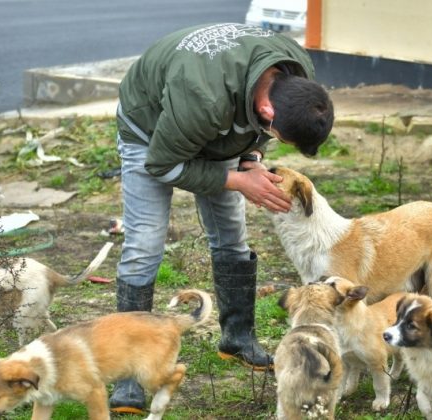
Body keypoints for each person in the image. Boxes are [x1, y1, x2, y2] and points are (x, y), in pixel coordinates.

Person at [110, 22, 334, 413]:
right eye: (280, 136)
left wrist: (251, 160)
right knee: (145, 244)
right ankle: (129, 372)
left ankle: (237, 338)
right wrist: (238, 181)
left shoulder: (298, 75)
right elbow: (161, 164)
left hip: (220, 120)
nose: (274, 139)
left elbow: (260, 134)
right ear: (266, 110)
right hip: (152, 132)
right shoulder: (201, 95)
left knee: (232, 236)